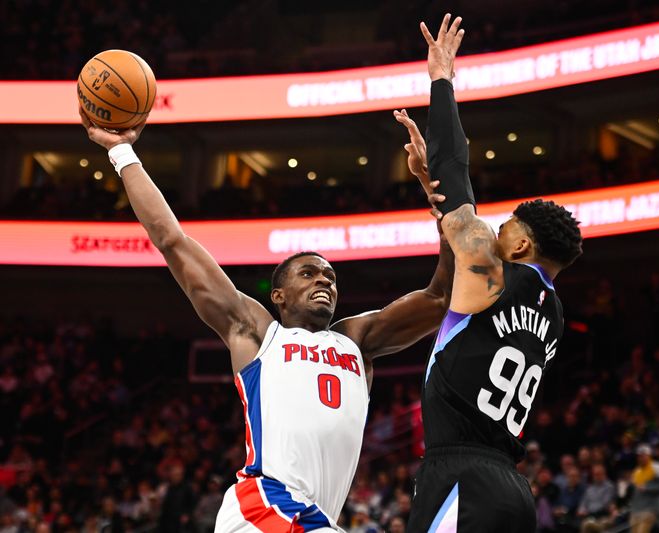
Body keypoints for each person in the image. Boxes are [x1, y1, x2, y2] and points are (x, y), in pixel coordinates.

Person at [78, 107, 454, 532]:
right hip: (264, 506)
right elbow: (172, 241)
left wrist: (440, 196)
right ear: (278, 295)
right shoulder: (257, 331)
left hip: (314, 518)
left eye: (330, 277)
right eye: (309, 274)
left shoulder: (358, 339)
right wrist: (122, 153)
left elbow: (441, 297)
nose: (324, 282)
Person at [398, 14, 583, 532]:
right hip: (509, 487)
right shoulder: (554, 314)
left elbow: (456, 177)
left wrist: (441, 80)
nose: (491, 232)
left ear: (522, 243)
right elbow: (462, 253)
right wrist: (430, 188)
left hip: (461, 477)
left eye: (504, 228)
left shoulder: (496, 273)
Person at [629, 444, 659, 533]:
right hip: (636, 510)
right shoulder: (637, 471)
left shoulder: (657, 467)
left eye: (643, 456)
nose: (641, 458)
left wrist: (647, 488)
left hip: (650, 509)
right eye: (639, 456)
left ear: (649, 455)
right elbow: (635, 492)